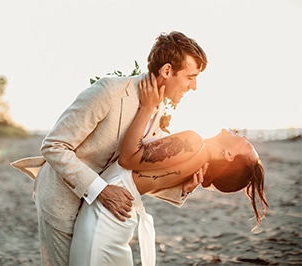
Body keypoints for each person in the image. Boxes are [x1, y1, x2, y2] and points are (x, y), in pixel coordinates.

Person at [29, 31, 209, 265]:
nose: (193, 86)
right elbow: (54, 145)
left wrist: (182, 187)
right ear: (167, 71)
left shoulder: (158, 111)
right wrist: (102, 190)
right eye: (190, 77)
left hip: (97, 213)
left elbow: (131, 173)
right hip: (62, 203)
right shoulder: (110, 91)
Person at [68, 75, 268, 266]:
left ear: (230, 156)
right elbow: (144, 175)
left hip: (104, 215)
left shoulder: (193, 142)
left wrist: (147, 108)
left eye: (246, 143)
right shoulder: (196, 160)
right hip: (116, 216)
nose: (242, 136)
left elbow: (128, 159)